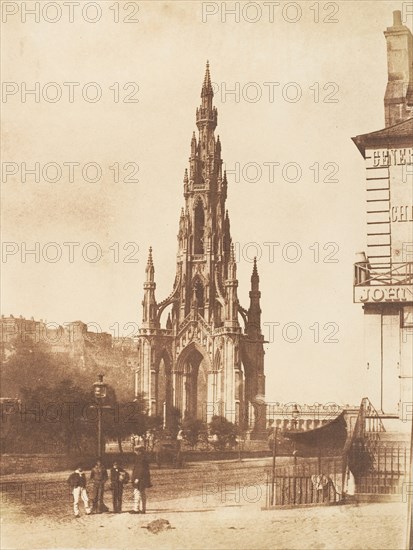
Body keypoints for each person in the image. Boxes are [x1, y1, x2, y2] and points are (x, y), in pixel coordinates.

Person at [130, 446, 152, 514]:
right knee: (142, 493)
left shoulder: (140, 458)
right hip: (144, 479)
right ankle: (143, 509)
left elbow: (140, 469)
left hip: (140, 479)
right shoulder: (144, 458)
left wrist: (137, 478)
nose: (135, 452)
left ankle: (136, 509)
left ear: (139, 451)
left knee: (137, 492)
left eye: (136, 450)